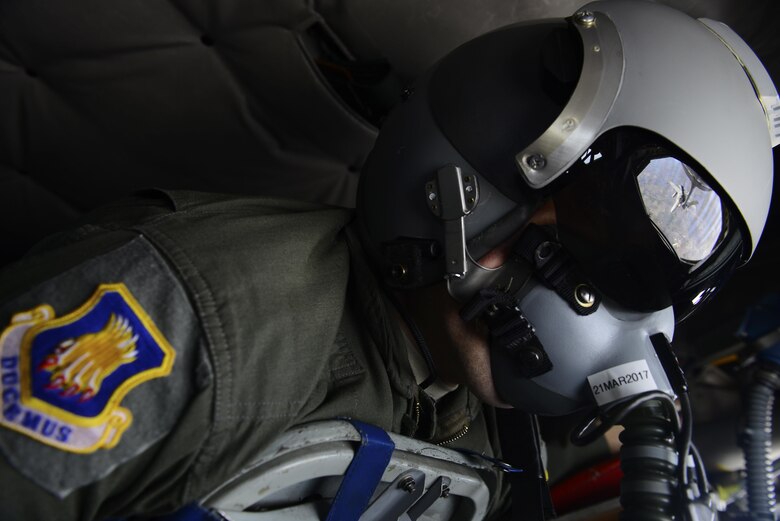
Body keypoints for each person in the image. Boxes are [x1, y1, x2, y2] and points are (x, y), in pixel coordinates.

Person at [0, 1, 777, 519]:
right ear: (465, 186)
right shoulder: (205, 318)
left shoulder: (467, 409)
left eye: (635, 274)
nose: (596, 313)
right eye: (590, 239)